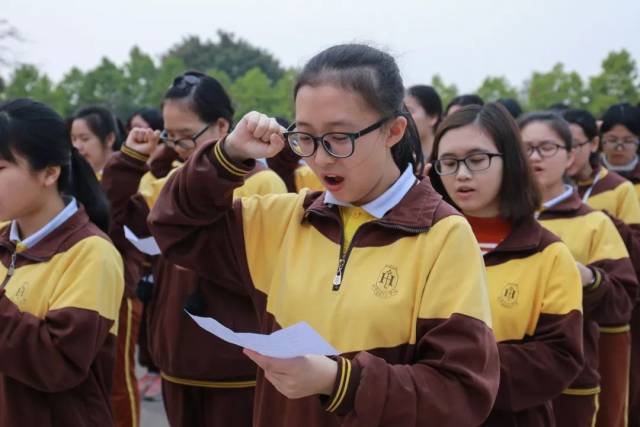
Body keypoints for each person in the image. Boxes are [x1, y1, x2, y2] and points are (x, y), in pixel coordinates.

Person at [148, 43, 500, 427]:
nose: (321, 157)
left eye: (339, 136)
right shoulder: (284, 219)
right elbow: (174, 227)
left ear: (393, 131)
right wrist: (228, 154)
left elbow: (461, 392)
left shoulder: (442, 236)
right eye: (307, 137)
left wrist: (340, 381)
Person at [102, 71, 287, 427]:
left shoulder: (263, 182)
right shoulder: (174, 181)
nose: (178, 147)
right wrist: (130, 161)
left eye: (187, 137)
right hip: (177, 359)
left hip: (235, 368)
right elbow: (115, 223)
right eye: (171, 137)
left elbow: (266, 275)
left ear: (222, 127)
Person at [429, 103, 584, 426]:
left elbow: (560, 356)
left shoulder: (547, 252)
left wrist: (457, 374)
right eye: (449, 162)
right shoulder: (424, 241)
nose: (462, 174)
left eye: (477, 159)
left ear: (510, 160)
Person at [0, 98, 124, 426]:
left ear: (50, 172)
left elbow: (57, 364)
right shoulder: (4, 238)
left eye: (0, 168)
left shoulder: (91, 254)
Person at [519, 111, 637, 426]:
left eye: (547, 147)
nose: (535, 157)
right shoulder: (501, 220)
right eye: (525, 148)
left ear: (570, 155)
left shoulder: (593, 222)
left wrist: (587, 276)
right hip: (511, 378)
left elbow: (622, 301)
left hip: (572, 378)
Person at [565, 107, 640, 427]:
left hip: (608, 313)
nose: (568, 154)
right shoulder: (543, 193)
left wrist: (605, 222)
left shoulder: (619, 188)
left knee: (612, 397)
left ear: (592, 145)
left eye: (574, 145)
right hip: (569, 318)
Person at [70, 106, 123, 177]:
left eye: (85, 139)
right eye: (74, 139)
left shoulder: (127, 177)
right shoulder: (71, 179)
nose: (76, 146)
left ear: (109, 139)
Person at [404, 85, 443, 159]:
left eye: (409, 111)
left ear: (433, 117)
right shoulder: (401, 159)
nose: (402, 117)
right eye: (402, 112)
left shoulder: (446, 158)